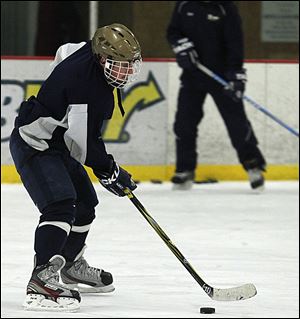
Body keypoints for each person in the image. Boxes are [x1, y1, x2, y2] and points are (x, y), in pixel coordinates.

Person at [9, 23, 142, 312]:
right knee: (60, 205)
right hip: (35, 142)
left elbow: (64, 52)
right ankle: (41, 279)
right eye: (118, 66)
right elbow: (82, 145)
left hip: (55, 141)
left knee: (85, 203)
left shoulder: (84, 51)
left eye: (129, 65)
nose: (126, 72)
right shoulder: (86, 84)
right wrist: (110, 170)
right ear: (101, 59)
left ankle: (69, 265)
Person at [166, 1, 266, 191]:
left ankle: (253, 165)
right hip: (193, 74)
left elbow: (235, 42)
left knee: (237, 123)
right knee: (184, 123)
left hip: (222, 76)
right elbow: (173, 31)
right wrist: (183, 47)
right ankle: (185, 170)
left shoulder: (225, 7)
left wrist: (236, 75)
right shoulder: (184, 5)